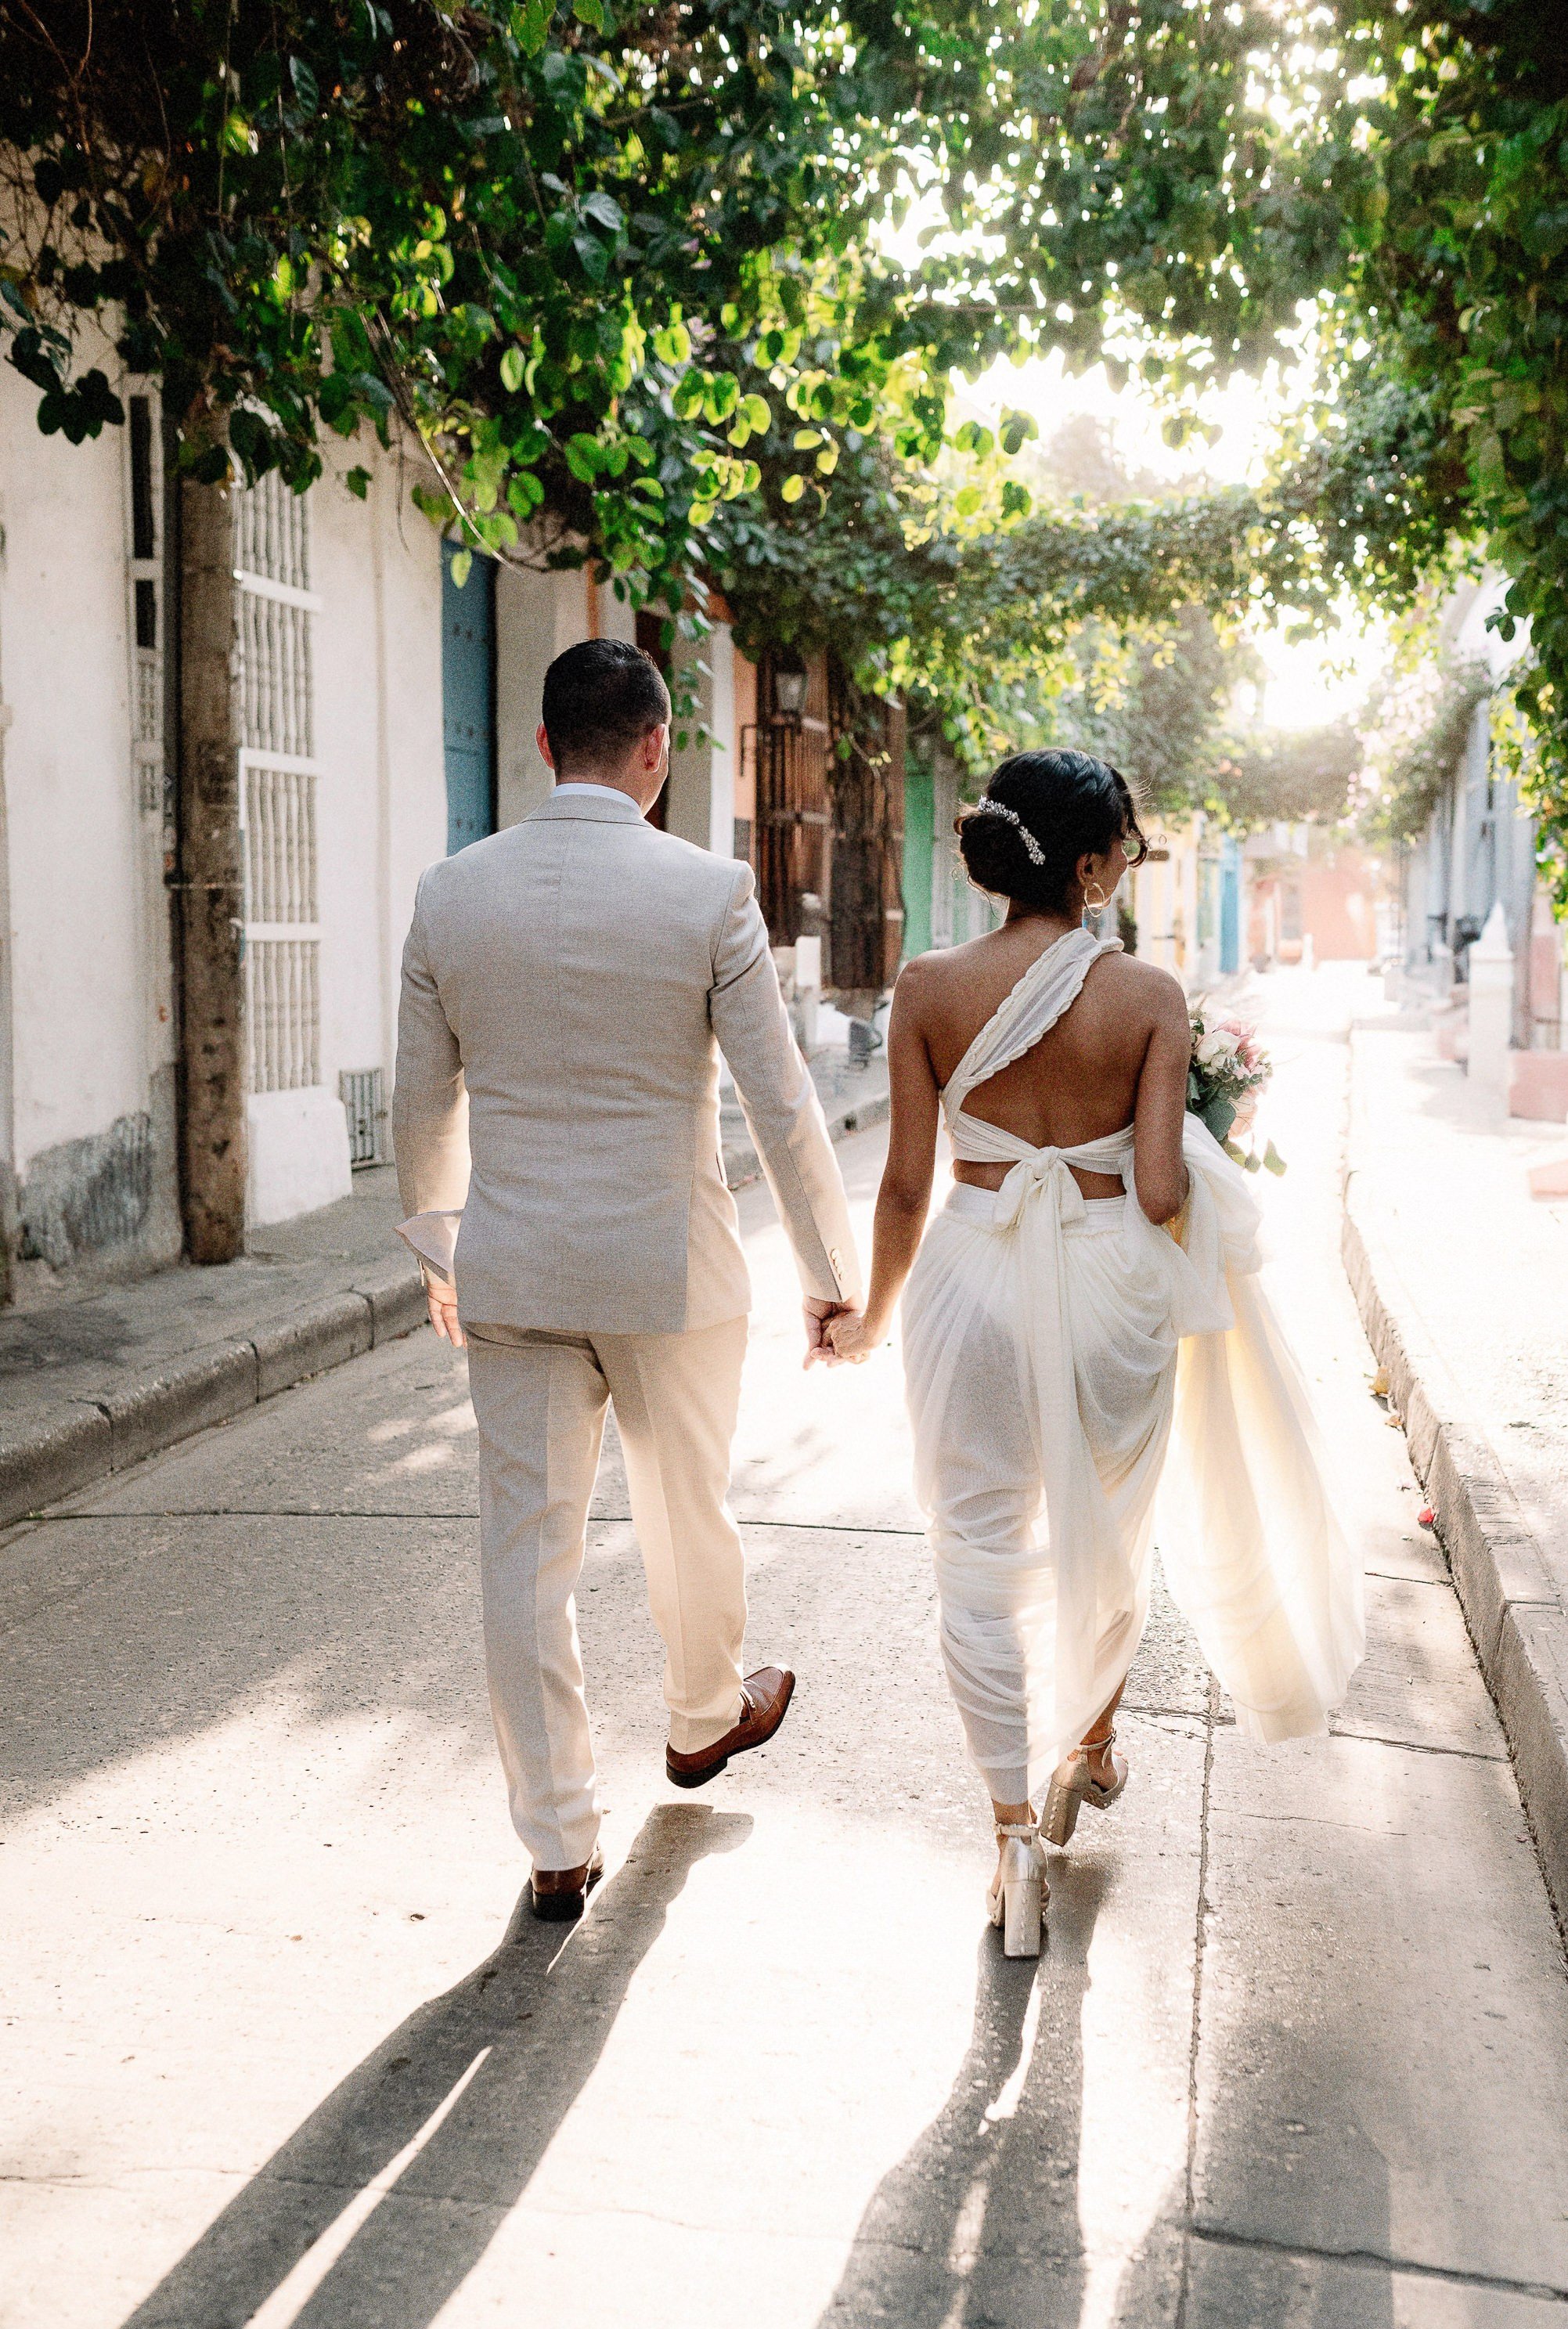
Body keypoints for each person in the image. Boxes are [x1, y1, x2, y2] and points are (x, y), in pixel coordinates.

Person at [825, 750, 1363, 1957]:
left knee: (971, 1550)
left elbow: (906, 1187)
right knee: (1108, 1537)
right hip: (1112, 1286)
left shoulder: (925, 985)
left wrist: (869, 1314)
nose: (1128, 863)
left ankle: (1013, 1832)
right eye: (1121, 843)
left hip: (968, 1276)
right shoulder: (1150, 998)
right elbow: (1163, 1187)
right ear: (1083, 863)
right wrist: (1184, 1168)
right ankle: (1091, 1741)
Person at [393, 636, 861, 1922]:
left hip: (518, 1273)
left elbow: (419, 1111)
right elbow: (780, 1101)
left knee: (521, 1555)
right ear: (658, 748)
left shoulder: (451, 893)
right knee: (686, 1506)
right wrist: (834, 1277)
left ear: (544, 747)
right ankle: (706, 1718)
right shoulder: (708, 893)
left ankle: (555, 1838)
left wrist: (442, 1248)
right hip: (672, 1271)